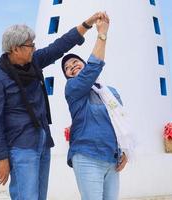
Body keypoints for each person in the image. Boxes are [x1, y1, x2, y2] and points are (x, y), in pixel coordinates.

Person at [0, 12, 106, 200]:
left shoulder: (34, 62)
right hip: (21, 147)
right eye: (30, 45)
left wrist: (87, 24)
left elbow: (59, 46)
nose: (34, 48)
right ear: (15, 49)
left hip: (42, 141)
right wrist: (2, 158)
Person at [61, 14, 132, 200]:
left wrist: (125, 150)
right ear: (68, 76)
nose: (72, 66)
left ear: (83, 63)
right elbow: (94, 67)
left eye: (76, 62)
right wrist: (102, 33)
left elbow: (120, 122)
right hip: (87, 157)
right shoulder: (73, 89)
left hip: (111, 159)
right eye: (67, 68)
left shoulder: (111, 93)